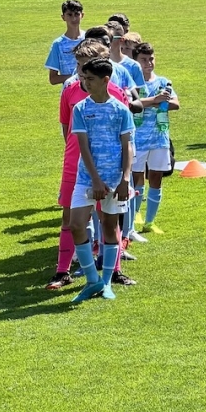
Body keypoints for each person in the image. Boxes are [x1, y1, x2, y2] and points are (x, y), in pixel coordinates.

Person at [46, 39, 132, 291]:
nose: (82, 74)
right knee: (70, 218)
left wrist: (123, 174)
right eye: (79, 66)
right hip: (76, 164)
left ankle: (113, 271)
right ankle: (63, 271)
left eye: (87, 67)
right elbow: (66, 127)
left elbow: (125, 137)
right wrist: (73, 154)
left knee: (109, 219)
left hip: (109, 168)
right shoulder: (70, 90)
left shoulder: (116, 94)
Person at [67, 56, 135, 303]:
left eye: (90, 79)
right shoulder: (81, 109)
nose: (85, 83)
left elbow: (128, 146)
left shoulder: (121, 110)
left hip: (115, 180)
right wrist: (95, 180)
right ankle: (91, 280)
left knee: (109, 226)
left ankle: (106, 282)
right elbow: (84, 147)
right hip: (87, 178)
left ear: (105, 80)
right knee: (76, 224)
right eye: (83, 78)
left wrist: (125, 180)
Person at [131, 42, 179, 236]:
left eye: (151, 59)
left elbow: (175, 104)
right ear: (135, 61)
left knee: (156, 178)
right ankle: (133, 218)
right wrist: (155, 101)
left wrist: (160, 103)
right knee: (136, 179)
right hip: (137, 138)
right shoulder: (133, 83)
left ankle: (150, 222)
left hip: (159, 138)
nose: (148, 63)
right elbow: (130, 104)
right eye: (143, 59)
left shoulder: (163, 82)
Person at [45, 0, 85, 85]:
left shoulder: (89, 39)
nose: (74, 18)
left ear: (82, 15)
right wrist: (77, 77)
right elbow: (53, 79)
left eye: (77, 14)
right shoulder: (58, 44)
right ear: (63, 17)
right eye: (70, 15)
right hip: (70, 90)